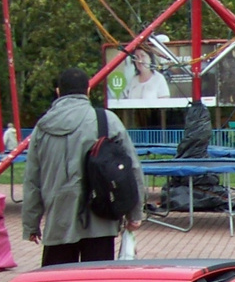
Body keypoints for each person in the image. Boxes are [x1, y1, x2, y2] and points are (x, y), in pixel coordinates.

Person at [24, 66, 145, 266]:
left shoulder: (42, 127)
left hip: (58, 221)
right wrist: (135, 214)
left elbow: (32, 179)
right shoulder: (107, 120)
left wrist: (31, 224)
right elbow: (132, 168)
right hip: (101, 217)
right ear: (88, 91)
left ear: (58, 92)